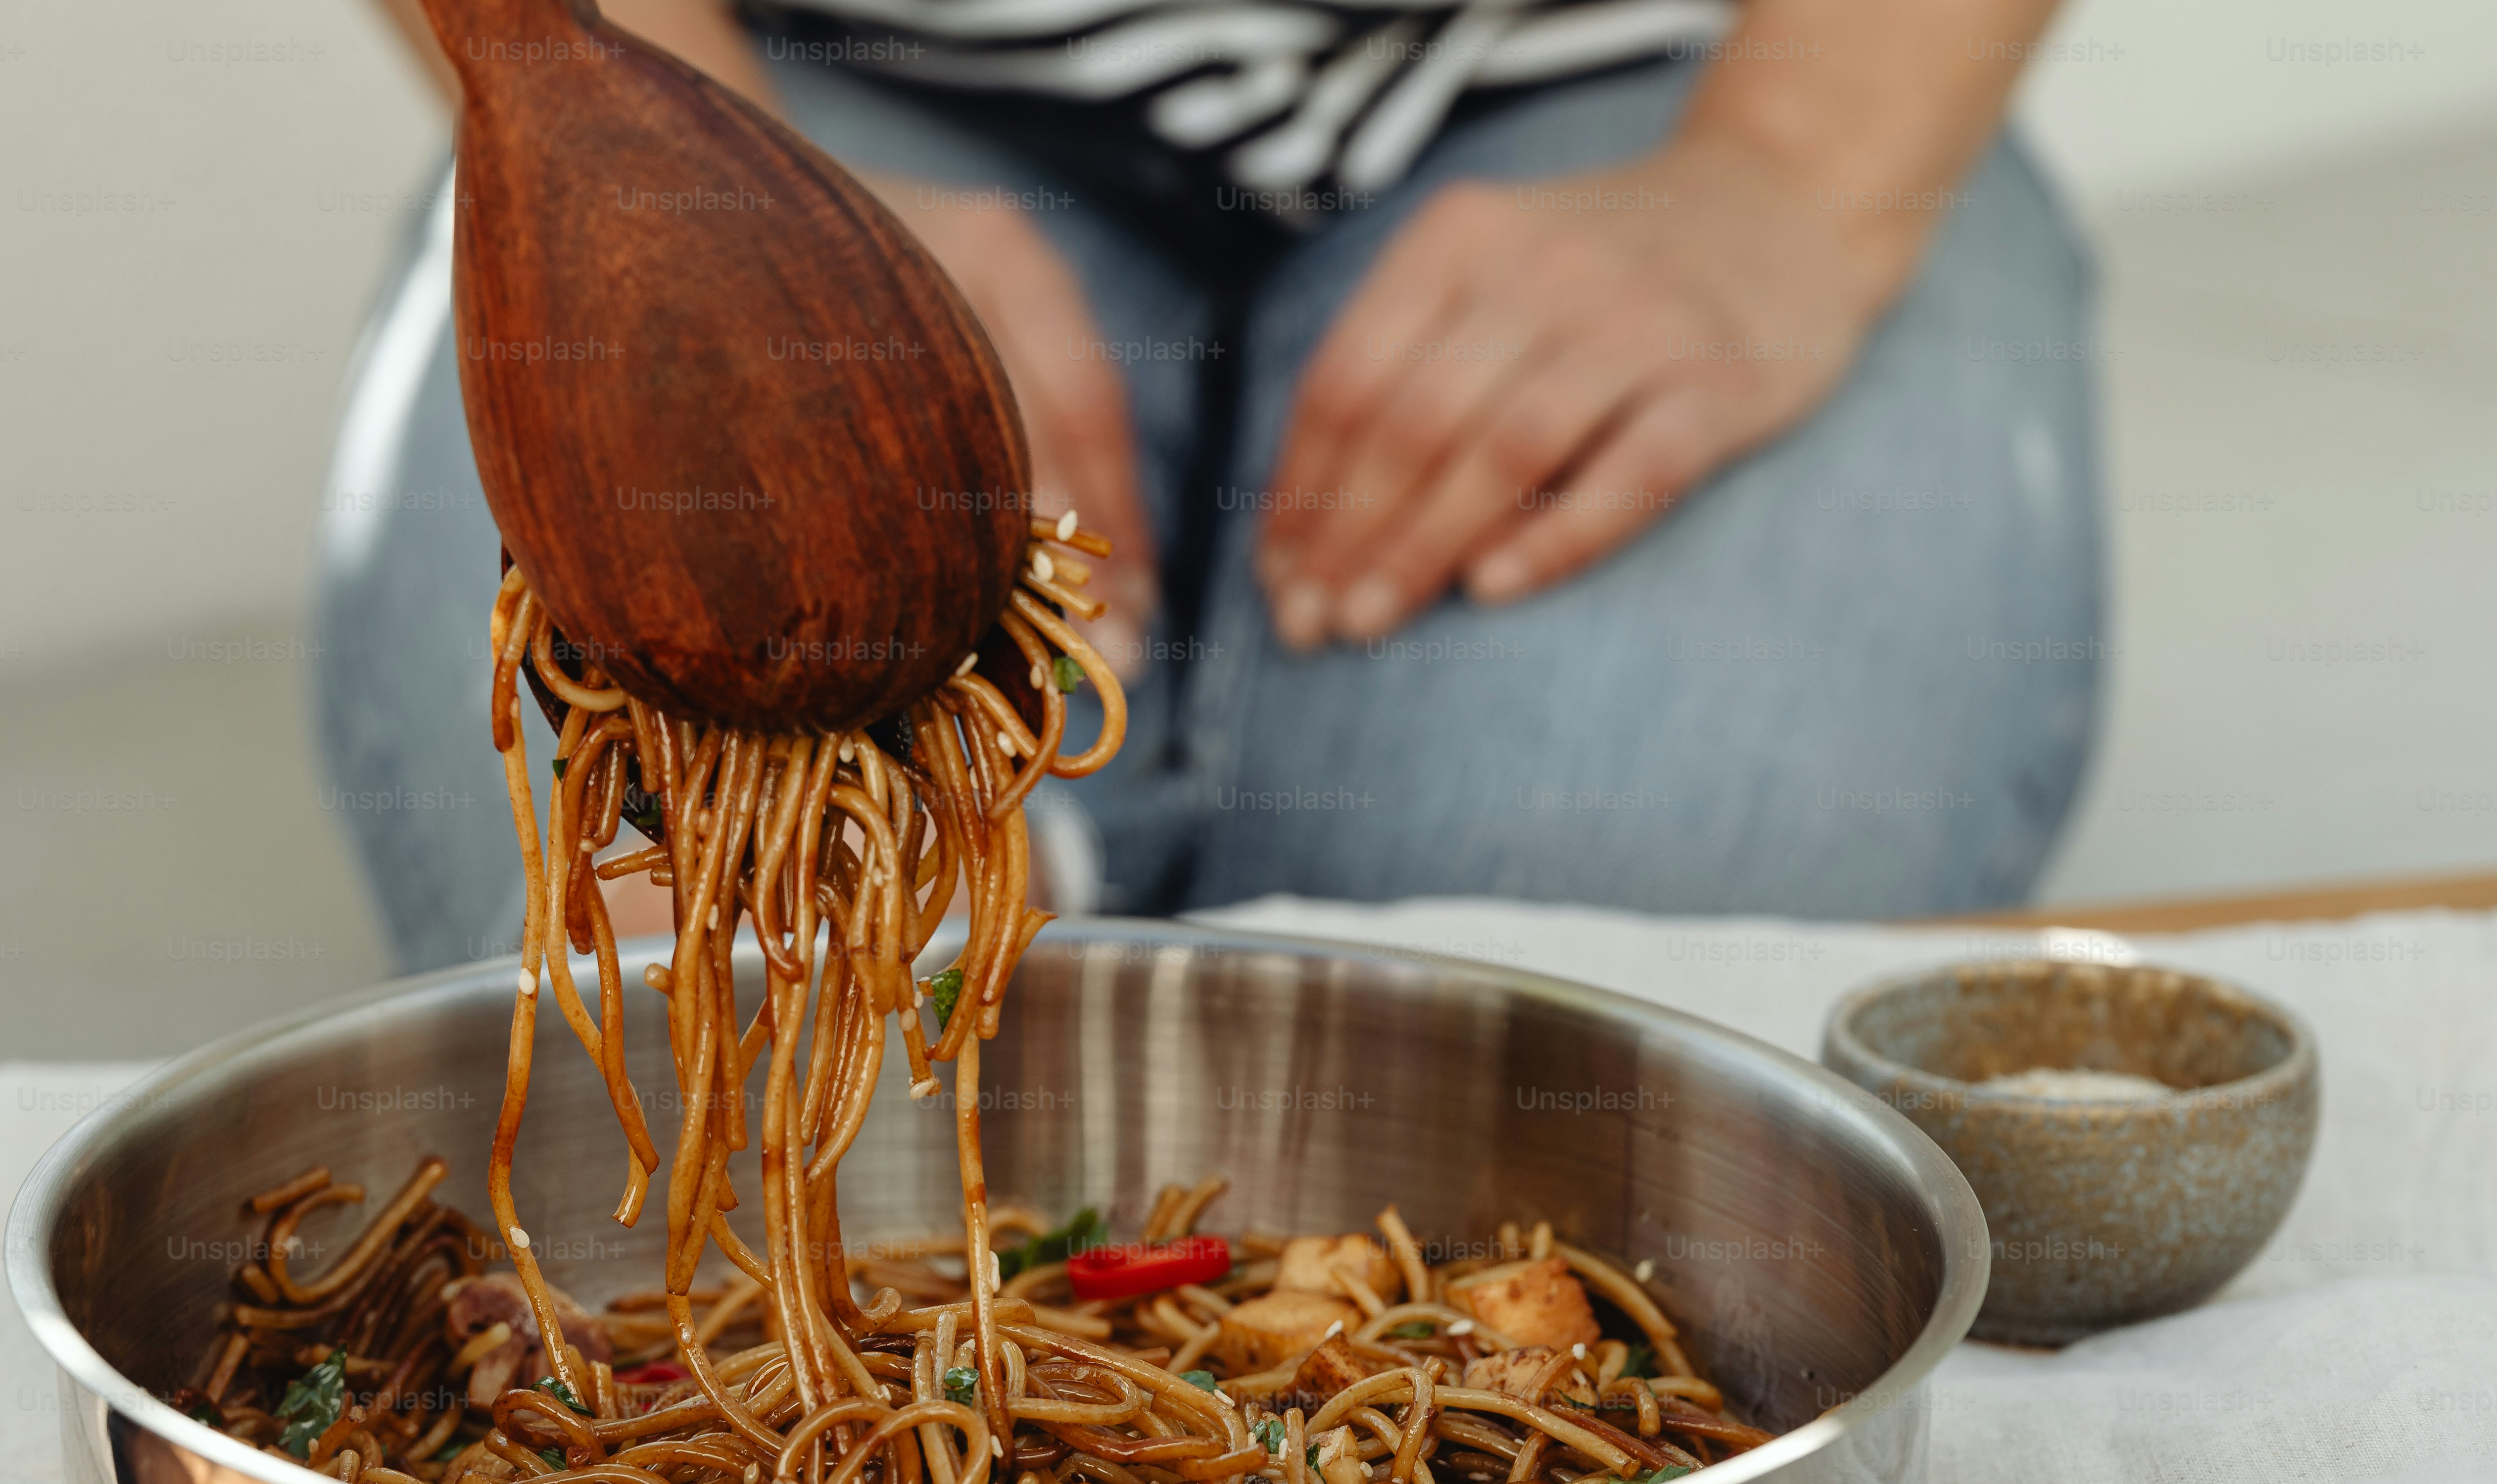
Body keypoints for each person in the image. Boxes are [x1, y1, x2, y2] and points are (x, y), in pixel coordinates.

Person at [320, 0, 2102, 972]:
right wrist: (703, 202)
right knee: (708, 937)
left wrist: (1791, 174)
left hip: (1666, 65)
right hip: (754, 71)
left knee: (1584, 952)